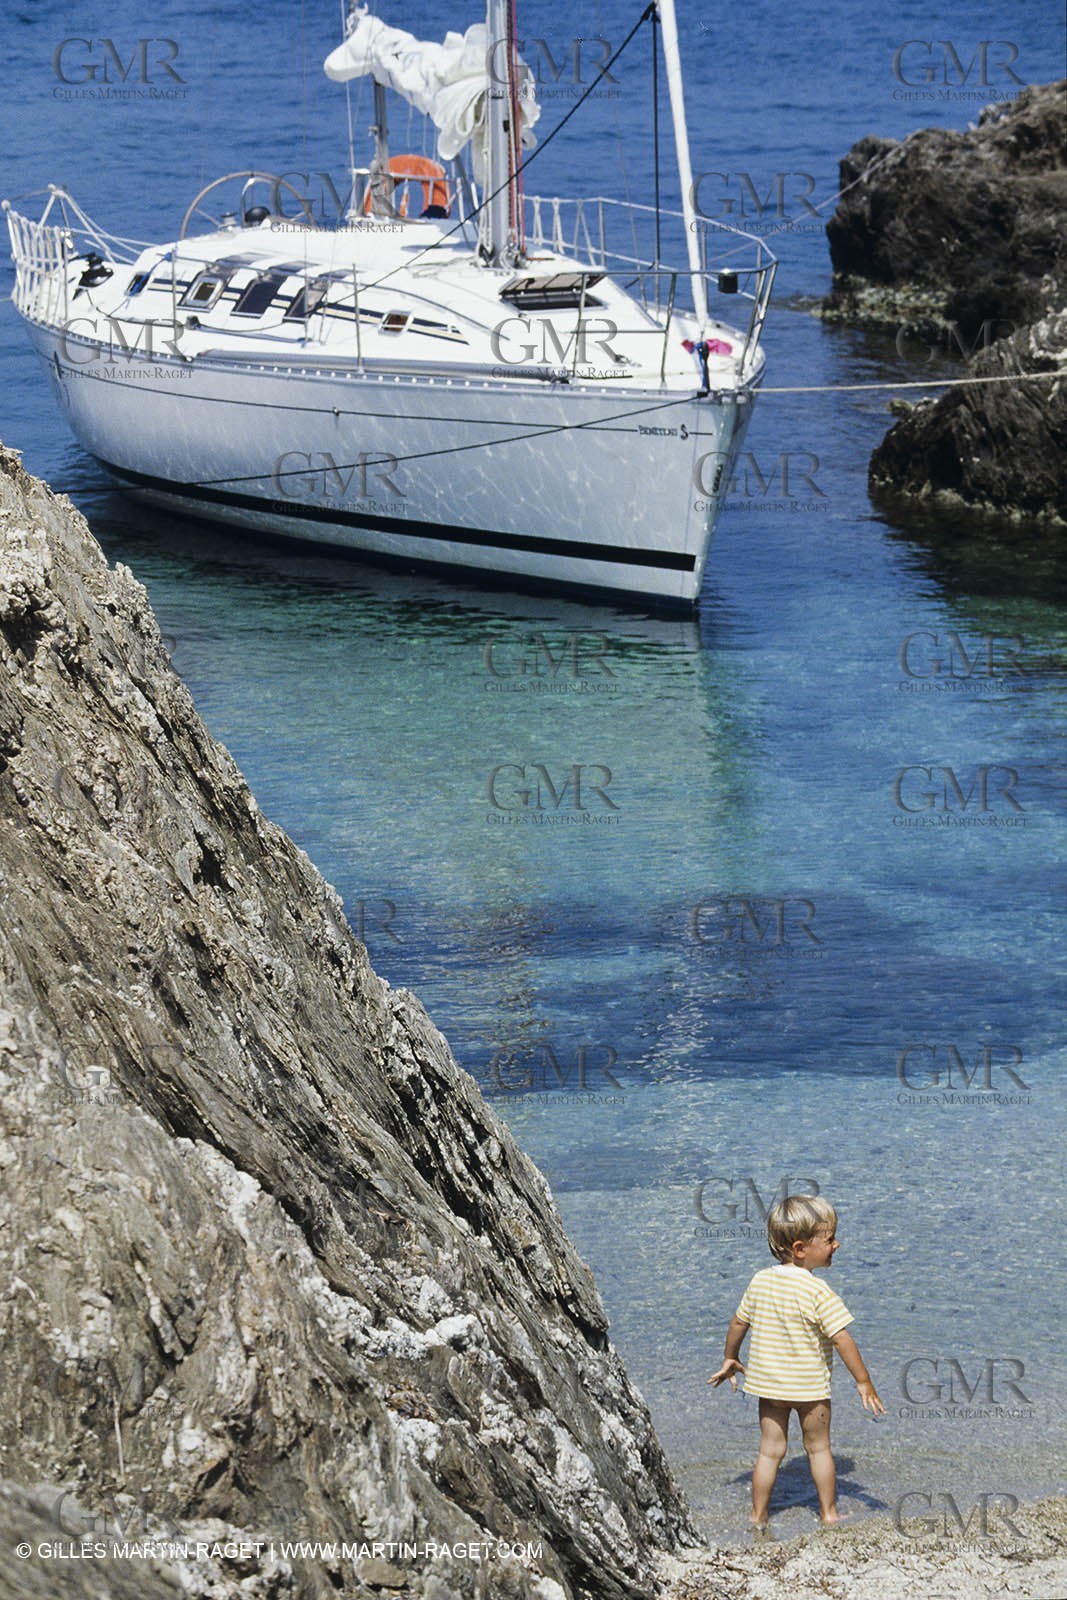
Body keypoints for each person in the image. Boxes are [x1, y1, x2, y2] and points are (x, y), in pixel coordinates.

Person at [707, 1195, 885, 1535]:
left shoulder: (760, 1280)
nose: (837, 1244)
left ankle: (758, 1516)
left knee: (770, 1451)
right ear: (801, 1248)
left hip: (769, 1387)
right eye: (829, 1239)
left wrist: (731, 1357)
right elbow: (842, 1338)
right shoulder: (818, 1291)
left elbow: (738, 1323)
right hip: (810, 1390)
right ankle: (829, 1514)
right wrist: (863, 1381)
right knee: (818, 1449)